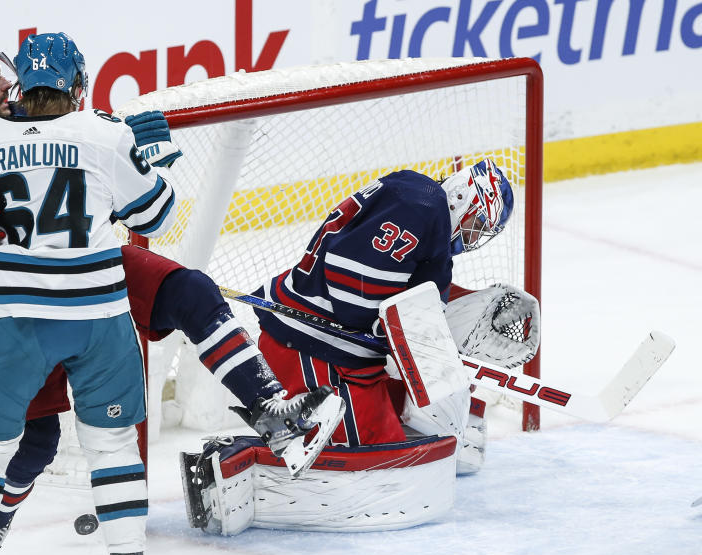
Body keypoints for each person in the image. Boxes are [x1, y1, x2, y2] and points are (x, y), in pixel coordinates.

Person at [0, 34, 343, 555]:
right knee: (36, 445)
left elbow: (89, 159)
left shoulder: (32, 125)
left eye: (8, 73)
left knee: (190, 291)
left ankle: (270, 412)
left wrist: (122, 150)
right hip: (18, 296)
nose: (8, 84)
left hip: (90, 270)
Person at [180, 160, 541, 535]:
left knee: (394, 450)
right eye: (478, 223)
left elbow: (413, 300)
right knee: (377, 466)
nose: (473, 236)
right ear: (463, 197)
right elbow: (352, 280)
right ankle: (225, 466)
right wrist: (394, 334)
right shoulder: (421, 204)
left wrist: (460, 315)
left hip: (346, 353)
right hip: (311, 344)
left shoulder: (424, 208)